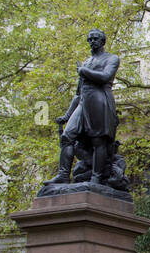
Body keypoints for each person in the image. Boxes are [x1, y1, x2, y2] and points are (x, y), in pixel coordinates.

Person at [50, 29, 120, 186]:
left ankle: (96, 177)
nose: (92, 42)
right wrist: (67, 115)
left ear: (103, 41)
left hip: (99, 100)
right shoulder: (87, 62)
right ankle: (63, 175)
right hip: (83, 103)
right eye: (89, 39)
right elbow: (77, 93)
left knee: (98, 141)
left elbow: (105, 77)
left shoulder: (112, 58)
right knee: (67, 137)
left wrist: (83, 71)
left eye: (95, 39)